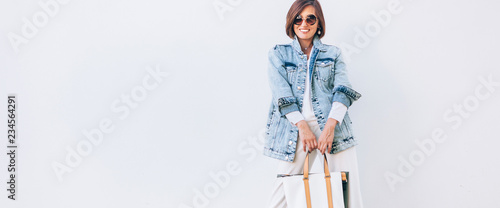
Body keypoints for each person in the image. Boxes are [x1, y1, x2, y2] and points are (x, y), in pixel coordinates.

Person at [263, 0, 365, 207]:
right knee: (281, 195)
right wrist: (302, 126)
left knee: (349, 194)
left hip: (333, 126)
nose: (304, 23)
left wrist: (330, 127)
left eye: (311, 18)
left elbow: (343, 91)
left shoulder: (333, 53)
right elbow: (281, 95)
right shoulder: (279, 54)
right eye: (298, 18)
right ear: (291, 22)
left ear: (319, 23)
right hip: (295, 129)